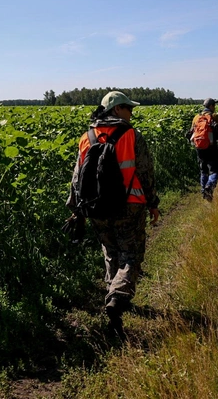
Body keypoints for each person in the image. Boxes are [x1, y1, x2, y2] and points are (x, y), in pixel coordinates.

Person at [65, 90, 160, 332]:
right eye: (128, 108)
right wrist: (152, 203)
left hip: (96, 208)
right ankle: (117, 297)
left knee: (110, 251)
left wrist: (76, 210)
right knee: (131, 255)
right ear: (116, 109)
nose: (131, 112)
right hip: (130, 206)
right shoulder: (131, 135)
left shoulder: (87, 136)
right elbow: (145, 173)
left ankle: (112, 298)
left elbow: (77, 178)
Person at [187, 98, 218, 202]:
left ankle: (203, 191)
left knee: (203, 170)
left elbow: (191, 133)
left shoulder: (196, 117)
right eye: (214, 105)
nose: (214, 107)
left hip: (199, 147)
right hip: (211, 147)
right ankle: (209, 187)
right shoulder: (214, 116)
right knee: (215, 170)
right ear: (210, 106)